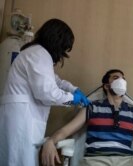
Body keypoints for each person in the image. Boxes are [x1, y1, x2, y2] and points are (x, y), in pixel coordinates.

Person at [0, 18, 90, 166]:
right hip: (22, 118)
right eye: (63, 48)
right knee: (19, 161)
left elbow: (54, 80)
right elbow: (47, 92)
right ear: (57, 41)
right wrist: (72, 98)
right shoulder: (39, 54)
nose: (62, 53)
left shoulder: (35, 53)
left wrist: (73, 89)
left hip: (20, 115)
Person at [41, 69, 133, 166]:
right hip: (96, 161)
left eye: (123, 78)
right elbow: (66, 130)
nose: (122, 81)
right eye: (116, 78)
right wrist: (50, 141)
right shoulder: (92, 107)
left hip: (125, 162)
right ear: (107, 86)